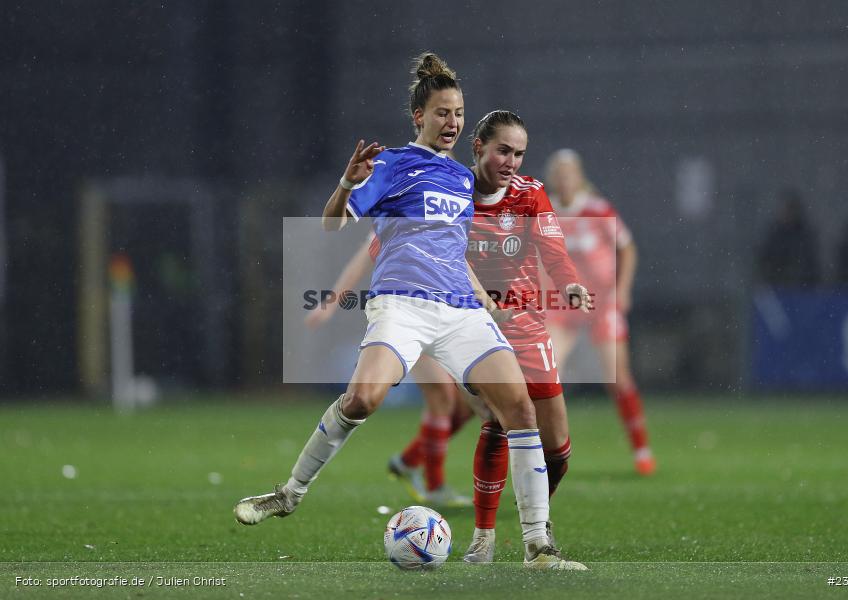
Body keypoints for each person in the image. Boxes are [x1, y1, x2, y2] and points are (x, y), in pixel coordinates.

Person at [233, 52, 586, 570]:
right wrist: (348, 183)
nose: (453, 122)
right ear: (419, 116)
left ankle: (539, 548)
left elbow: (454, 250)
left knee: (521, 411)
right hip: (402, 304)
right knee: (361, 400)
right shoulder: (394, 164)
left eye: (459, 113)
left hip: (461, 311)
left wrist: (487, 302)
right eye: (443, 112)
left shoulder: (463, 181)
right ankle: (289, 493)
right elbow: (332, 225)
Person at [458, 111, 594, 563]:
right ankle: (486, 537)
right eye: (503, 150)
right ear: (478, 147)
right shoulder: (451, 193)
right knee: (503, 422)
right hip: (474, 325)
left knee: (558, 450)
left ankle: (532, 520)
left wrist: (570, 283)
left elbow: (554, 252)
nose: (512, 161)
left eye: (518, 153)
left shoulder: (530, 193)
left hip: (527, 323)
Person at [305, 233, 473, 507]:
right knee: (442, 397)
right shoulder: (402, 208)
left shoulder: (450, 208)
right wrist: (331, 303)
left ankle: (409, 463)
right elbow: (362, 259)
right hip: (406, 316)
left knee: (465, 406)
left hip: (449, 314)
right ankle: (433, 485)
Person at [543, 149, 656, 476]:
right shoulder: (545, 210)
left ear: (579, 176)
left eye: (570, 172)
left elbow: (628, 247)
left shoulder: (597, 209)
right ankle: (549, 450)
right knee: (547, 375)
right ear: (553, 178)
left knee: (619, 378)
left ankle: (641, 449)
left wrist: (623, 289)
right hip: (562, 304)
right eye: (560, 173)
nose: (565, 178)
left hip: (601, 302)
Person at [756, 187, 821, 289]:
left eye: (790, 209)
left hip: (801, 289)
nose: (787, 214)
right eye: (785, 209)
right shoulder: (773, 236)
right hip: (778, 288)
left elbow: (810, 264)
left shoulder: (805, 235)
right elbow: (766, 263)